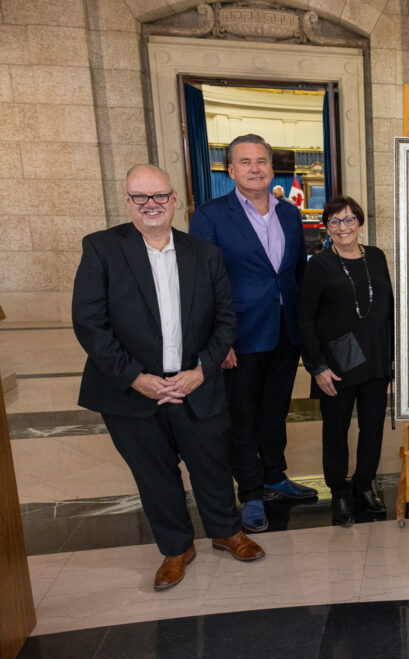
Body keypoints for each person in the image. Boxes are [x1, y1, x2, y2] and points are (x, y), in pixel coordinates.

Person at [72, 164, 265, 591]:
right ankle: (176, 548)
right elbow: (89, 324)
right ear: (127, 202)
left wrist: (201, 372)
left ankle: (227, 531)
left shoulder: (204, 254)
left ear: (175, 200)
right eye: (140, 197)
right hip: (132, 393)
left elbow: (225, 322)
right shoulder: (102, 249)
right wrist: (134, 377)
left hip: (195, 384)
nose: (151, 205)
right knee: (154, 473)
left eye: (159, 196)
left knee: (212, 464)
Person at [190, 133, 315, 534]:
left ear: (272, 167)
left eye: (261, 161)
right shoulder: (210, 216)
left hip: (283, 331)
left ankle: (275, 475)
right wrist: (217, 341)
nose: (255, 168)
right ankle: (251, 494)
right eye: (245, 162)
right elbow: (202, 283)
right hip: (239, 335)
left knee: (275, 410)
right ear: (231, 170)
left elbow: (295, 272)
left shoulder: (290, 214)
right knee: (241, 417)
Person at [299, 196, 393, 526]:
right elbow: (305, 320)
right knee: (336, 430)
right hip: (337, 363)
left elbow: (388, 310)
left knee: (372, 428)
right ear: (326, 227)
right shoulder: (319, 265)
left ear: (360, 222)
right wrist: (317, 366)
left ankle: (364, 486)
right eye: (335, 221)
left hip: (376, 359)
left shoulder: (377, 257)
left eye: (349, 219)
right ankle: (339, 492)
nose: (343, 227)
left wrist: (392, 357)